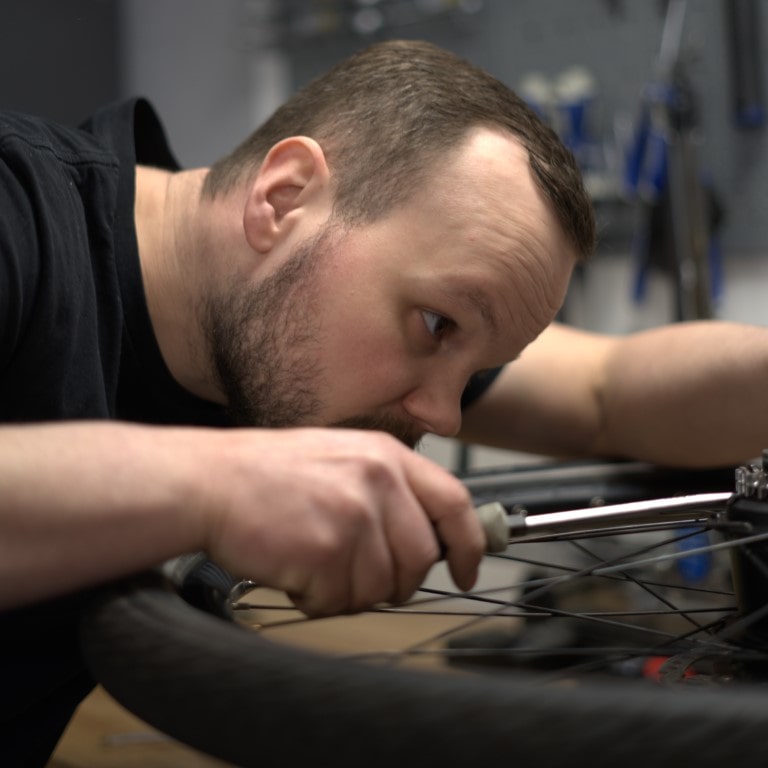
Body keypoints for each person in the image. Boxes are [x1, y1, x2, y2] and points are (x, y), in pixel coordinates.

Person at [1, 38, 766, 765]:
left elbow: (608, 394)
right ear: (283, 196)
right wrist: (214, 484)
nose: (444, 416)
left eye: (475, 372)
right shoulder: (19, 217)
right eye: (438, 325)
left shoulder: (271, 328)